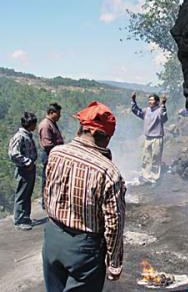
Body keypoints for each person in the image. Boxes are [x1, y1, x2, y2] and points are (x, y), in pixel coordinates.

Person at [42, 101, 126, 291]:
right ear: (96, 133)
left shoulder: (56, 153)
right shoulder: (108, 172)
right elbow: (114, 222)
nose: (108, 142)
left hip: (52, 238)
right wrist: (114, 262)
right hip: (85, 249)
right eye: (107, 137)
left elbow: (47, 192)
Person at [8, 112, 38, 230]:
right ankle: (19, 220)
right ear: (30, 124)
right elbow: (13, 153)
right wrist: (27, 162)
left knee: (27, 194)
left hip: (29, 169)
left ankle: (25, 217)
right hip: (24, 170)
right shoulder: (19, 136)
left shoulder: (27, 135)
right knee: (21, 194)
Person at [131, 92, 168, 184]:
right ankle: (145, 176)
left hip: (157, 137)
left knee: (156, 157)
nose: (149, 102)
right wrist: (133, 100)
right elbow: (136, 111)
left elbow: (164, 118)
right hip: (148, 138)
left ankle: (154, 177)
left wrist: (163, 105)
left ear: (157, 102)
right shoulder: (146, 110)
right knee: (146, 157)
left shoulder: (160, 110)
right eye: (149, 100)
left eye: (152, 100)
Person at [38, 103, 63, 209]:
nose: (59, 116)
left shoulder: (51, 123)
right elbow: (47, 144)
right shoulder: (45, 125)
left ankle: (50, 200)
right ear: (51, 113)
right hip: (49, 155)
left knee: (53, 179)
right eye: (58, 113)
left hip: (53, 155)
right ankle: (45, 202)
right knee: (47, 179)